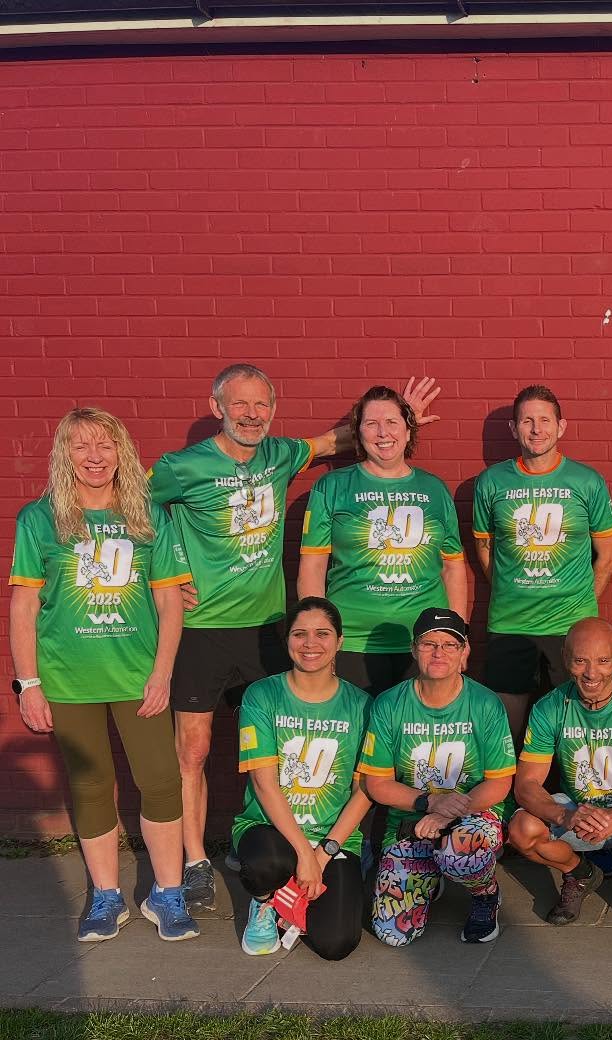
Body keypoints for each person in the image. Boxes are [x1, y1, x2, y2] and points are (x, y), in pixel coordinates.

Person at [148, 363, 439, 909]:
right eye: (240, 405)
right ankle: (193, 861)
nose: (252, 415)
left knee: (280, 747)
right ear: (217, 408)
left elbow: (339, 438)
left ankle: (266, 840)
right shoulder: (182, 466)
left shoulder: (282, 454)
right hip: (201, 628)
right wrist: (169, 569)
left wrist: (402, 421)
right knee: (195, 749)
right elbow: (134, 504)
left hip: (267, 629)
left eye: (262, 405)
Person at [9, 407, 197, 942]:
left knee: (161, 782)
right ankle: (107, 896)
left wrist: (162, 674)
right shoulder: (39, 519)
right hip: (68, 680)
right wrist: (30, 684)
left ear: (123, 452)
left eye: (105, 446)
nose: (95, 458)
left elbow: (169, 602)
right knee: (91, 786)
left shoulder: (148, 517)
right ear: (64, 455)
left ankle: (168, 892)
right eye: (82, 447)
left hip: (137, 677)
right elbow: (23, 606)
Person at [506, 618, 612, 928]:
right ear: (565, 658)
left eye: (602, 661)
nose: (591, 672)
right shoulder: (550, 707)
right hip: (577, 810)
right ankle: (580, 873)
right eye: (580, 660)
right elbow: (527, 784)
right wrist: (564, 816)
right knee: (521, 830)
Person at [359, 609, 516, 946]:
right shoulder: (389, 704)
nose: (439, 653)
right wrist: (429, 802)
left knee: (462, 852)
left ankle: (485, 893)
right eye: (429, 644)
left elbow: (500, 782)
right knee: (392, 932)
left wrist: (445, 812)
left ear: (464, 652)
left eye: (449, 644)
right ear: (414, 649)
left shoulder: (485, 703)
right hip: (412, 821)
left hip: (472, 816)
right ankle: (433, 874)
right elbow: (377, 783)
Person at [472, 385, 612, 741]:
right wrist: (512, 588)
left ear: (561, 426)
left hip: (569, 625)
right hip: (511, 624)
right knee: (504, 732)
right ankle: (505, 798)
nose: (536, 429)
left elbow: (609, 554)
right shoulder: (491, 482)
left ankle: (573, 797)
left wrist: (580, 600)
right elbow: (484, 548)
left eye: (544, 420)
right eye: (527, 421)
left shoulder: (587, 482)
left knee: (574, 730)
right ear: (514, 429)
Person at [298, 386, 465, 695]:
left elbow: (453, 568)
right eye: (371, 423)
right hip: (353, 642)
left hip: (426, 644)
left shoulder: (435, 489)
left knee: (415, 737)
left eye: (392, 422)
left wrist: (458, 636)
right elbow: (312, 568)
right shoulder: (332, 486)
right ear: (357, 432)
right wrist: (320, 638)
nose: (382, 432)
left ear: (408, 428)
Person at [233, 598, 371, 959]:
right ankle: (265, 900)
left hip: (332, 838)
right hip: (272, 832)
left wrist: (323, 853)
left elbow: (365, 790)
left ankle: (294, 894)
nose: (311, 644)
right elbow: (264, 783)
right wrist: (303, 854)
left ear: (340, 641)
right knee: (266, 864)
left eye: (322, 633)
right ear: (287, 640)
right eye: (300, 634)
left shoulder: (361, 705)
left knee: (335, 945)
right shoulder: (261, 695)